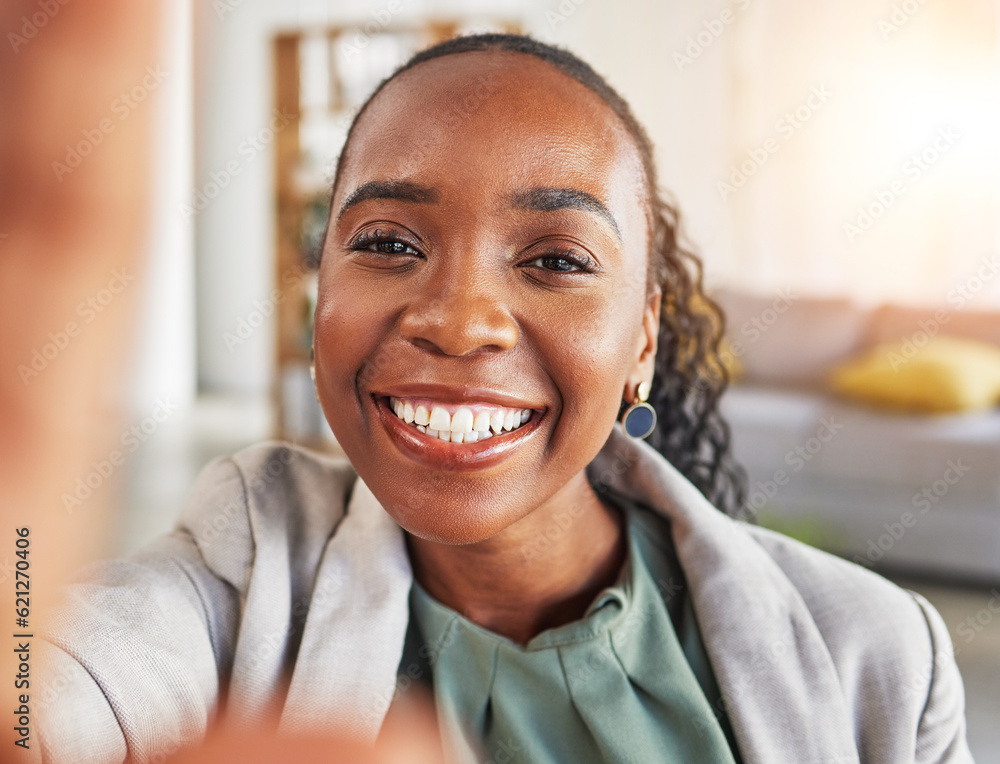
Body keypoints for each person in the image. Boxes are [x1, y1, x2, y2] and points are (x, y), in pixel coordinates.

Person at [36, 33, 972, 764]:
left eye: (557, 260)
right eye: (390, 243)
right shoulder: (242, 569)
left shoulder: (881, 652)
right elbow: (60, 689)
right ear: (319, 286)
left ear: (642, 339)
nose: (459, 320)